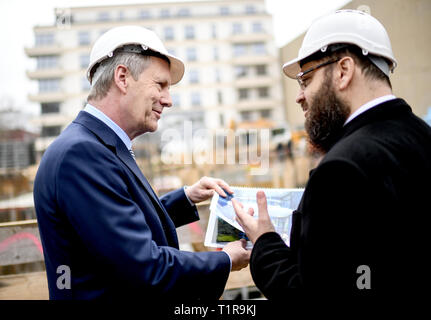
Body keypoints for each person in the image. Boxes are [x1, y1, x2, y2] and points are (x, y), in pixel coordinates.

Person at [34, 25, 250, 300]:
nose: (168, 100)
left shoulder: (94, 146)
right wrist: (225, 260)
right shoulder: (83, 155)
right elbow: (144, 267)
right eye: (160, 84)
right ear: (123, 77)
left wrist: (186, 198)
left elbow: (115, 225)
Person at [233, 10, 431, 297]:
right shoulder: (422, 138)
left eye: (306, 79)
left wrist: (265, 242)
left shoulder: (340, 169)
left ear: (343, 71)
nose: (300, 96)